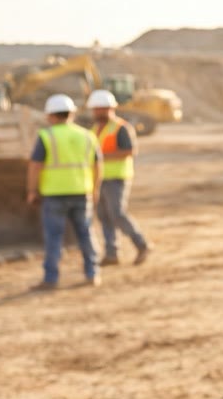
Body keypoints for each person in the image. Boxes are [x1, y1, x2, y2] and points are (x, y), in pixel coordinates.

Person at [27, 94, 102, 290]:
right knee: (85, 234)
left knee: (54, 237)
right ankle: (92, 273)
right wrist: (95, 189)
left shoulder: (47, 136)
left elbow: (35, 166)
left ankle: (51, 279)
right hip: (81, 191)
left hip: (54, 193)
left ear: (50, 115)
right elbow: (97, 165)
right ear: (72, 114)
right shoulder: (88, 135)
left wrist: (32, 191)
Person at [86, 90, 151, 266]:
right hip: (98, 179)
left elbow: (130, 151)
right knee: (103, 216)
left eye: (102, 109)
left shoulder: (121, 128)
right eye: (96, 109)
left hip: (117, 178)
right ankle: (111, 253)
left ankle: (141, 244)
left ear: (111, 108)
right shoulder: (94, 130)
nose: (99, 112)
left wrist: (102, 157)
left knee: (117, 214)